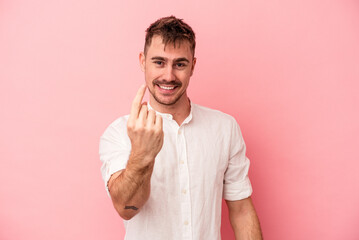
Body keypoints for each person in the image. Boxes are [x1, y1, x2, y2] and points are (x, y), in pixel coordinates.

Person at [99, 16, 263, 240]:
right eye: (159, 62)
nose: (168, 76)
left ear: (193, 66)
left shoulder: (225, 128)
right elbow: (126, 208)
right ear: (142, 61)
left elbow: (242, 211)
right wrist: (142, 153)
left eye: (180, 64)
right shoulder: (119, 132)